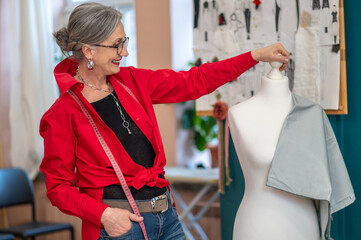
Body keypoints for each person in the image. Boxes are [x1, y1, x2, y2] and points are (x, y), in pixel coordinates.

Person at [40, 2, 289, 240]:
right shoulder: (63, 112)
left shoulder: (133, 81)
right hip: (120, 227)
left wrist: (254, 56)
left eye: (124, 42)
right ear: (88, 50)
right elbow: (58, 188)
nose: (124, 52)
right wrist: (105, 215)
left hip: (166, 217)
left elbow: (196, 81)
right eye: (117, 45)